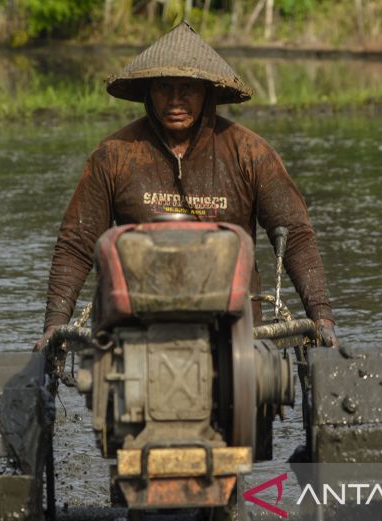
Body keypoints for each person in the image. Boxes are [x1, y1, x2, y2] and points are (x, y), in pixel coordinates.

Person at [35, 21, 337, 350]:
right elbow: (76, 246)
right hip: (138, 328)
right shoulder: (114, 156)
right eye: (164, 87)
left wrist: (321, 319)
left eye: (188, 88)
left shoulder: (249, 153)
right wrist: (54, 327)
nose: (175, 100)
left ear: (208, 92)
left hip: (235, 330)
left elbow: (295, 237)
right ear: (148, 92)